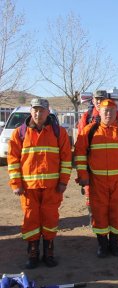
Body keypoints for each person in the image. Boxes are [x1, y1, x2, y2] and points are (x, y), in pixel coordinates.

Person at [8, 98, 72, 269]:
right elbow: (13, 161)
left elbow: (66, 159)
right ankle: (33, 253)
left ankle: (49, 252)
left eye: (41, 110)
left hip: (52, 187)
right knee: (31, 221)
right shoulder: (19, 133)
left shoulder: (59, 133)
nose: (38, 113)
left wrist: (63, 182)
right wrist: (16, 184)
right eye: (35, 110)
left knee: (50, 219)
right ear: (31, 111)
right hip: (28, 189)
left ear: (48, 111)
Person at [75, 99, 118, 258]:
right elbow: (80, 155)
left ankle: (115, 245)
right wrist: (83, 176)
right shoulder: (89, 131)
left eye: (111, 110)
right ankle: (103, 246)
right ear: (99, 112)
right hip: (97, 182)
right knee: (99, 213)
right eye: (105, 111)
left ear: (116, 112)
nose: (108, 114)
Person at [77, 90, 118, 224]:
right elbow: (80, 141)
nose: (98, 101)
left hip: (111, 164)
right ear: (92, 100)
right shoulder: (87, 116)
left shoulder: (115, 114)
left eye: (101, 99)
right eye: (96, 99)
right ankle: (94, 216)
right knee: (90, 193)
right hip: (92, 163)